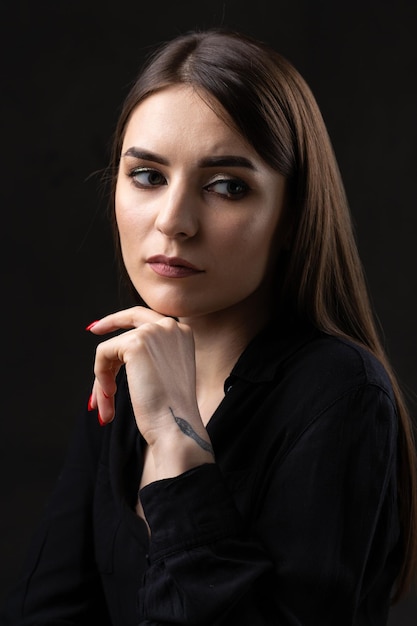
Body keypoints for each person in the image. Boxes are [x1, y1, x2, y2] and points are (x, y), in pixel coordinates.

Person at [1, 27, 416, 626]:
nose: (174, 221)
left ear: (292, 215)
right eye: (147, 175)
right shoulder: (127, 368)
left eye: (227, 187)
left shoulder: (340, 394)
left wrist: (177, 446)